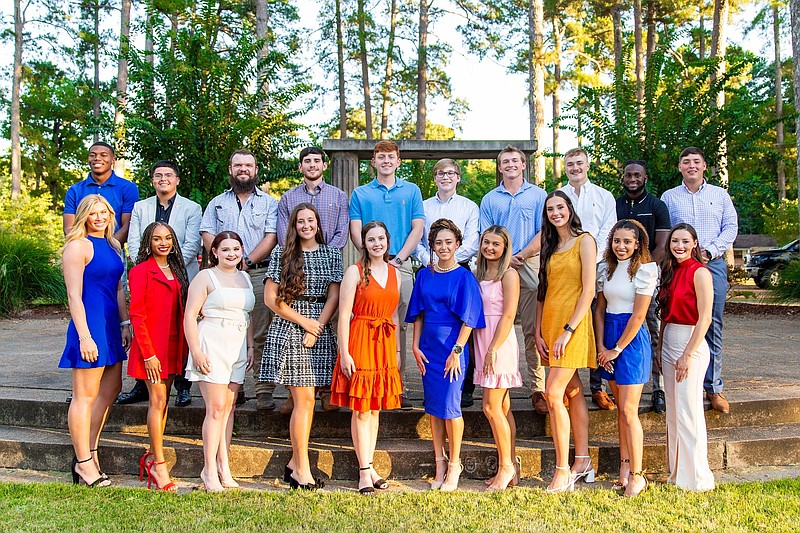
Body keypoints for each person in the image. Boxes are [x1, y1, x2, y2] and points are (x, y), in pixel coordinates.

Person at [261, 203, 342, 490]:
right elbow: (272, 299)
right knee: (305, 400)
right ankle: (302, 470)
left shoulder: (332, 254)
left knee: (308, 401)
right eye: (300, 221)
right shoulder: (282, 255)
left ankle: (295, 464)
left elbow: (334, 297)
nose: (306, 225)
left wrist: (317, 326)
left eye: (311, 220)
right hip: (290, 327)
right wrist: (305, 324)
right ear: (293, 226)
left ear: (318, 224)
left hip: (318, 329)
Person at [406, 219, 485, 492]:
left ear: (458, 244)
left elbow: (471, 319)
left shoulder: (464, 277)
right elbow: (417, 313)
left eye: (449, 242)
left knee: (451, 408)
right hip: (428, 350)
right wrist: (415, 346)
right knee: (434, 409)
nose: (443, 247)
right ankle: (439, 462)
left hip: (453, 348)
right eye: (438, 242)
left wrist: (457, 351)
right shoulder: (424, 275)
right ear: (432, 245)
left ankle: (454, 464)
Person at [59, 194, 131, 487]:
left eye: (104, 212)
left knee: (110, 390)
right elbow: (74, 296)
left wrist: (124, 323)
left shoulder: (113, 244)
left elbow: (117, 288)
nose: (99, 217)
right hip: (89, 327)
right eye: (93, 213)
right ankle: (83, 463)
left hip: (111, 325)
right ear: (84, 216)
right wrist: (85, 337)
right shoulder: (78, 246)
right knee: (84, 397)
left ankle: (90, 452)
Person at [661, 147, 738, 414]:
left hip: (711, 264)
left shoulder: (719, 195)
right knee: (673, 316)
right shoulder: (669, 197)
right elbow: (667, 232)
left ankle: (714, 387)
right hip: (678, 268)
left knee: (711, 321)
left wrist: (711, 250)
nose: (691, 166)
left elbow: (731, 226)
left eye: (696, 162)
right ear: (680, 167)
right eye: (686, 162)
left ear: (705, 166)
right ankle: (671, 378)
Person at [200, 149, 278, 411]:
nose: (243, 169)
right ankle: (235, 385)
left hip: (257, 273)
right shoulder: (216, 203)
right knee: (227, 328)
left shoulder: (269, 203)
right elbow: (207, 233)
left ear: (255, 170)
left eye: (248, 165)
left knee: (260, 331)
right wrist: (226, 260)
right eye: (238, 165)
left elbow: (271, 236)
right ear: (230, 170)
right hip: (222, 275)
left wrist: (247, 261)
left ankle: (263, 389)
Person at [121, 160, 202, 408]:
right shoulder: (140, 207)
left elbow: (190, 244)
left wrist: (170, 263)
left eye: (169, 175)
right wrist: (146, 266)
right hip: (147, 274)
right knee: (147, 322)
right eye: (158, 175)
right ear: (153, 180)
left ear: (177, 179)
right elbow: (134, 241)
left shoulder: (192, 207)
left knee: (180, 327)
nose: (163, 179)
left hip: (181, 274)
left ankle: (183, 386)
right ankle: (141, 384)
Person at [350, 140, 424, 409]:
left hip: (400, 265)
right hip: (369, 266)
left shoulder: (412, 191)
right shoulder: (361, 194)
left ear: (398, 161)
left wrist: (399, 258)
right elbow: (356, 230)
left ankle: (397, 386)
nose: (386, 161)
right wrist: (372, 258)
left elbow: (417, 228)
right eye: (380, 157)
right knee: (367, 321)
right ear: (373, 161)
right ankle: (370, 382)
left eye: (391, 157)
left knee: (399, 326)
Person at [330, 221, 403, 494]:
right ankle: (363, 473)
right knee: (361, 409)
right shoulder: (355, 272)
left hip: (383, 344)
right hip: (360, 338)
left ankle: (369, 465)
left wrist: (396, 351)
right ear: (364, 243)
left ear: (387, 240)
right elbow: (343, 315)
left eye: (381, 238)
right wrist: (345, 352)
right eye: (371, 239)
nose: (377, 244)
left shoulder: (396, 273)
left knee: (375, 409)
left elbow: (394, 315)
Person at [276, 146, 349, 414]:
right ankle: (295, 391)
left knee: (326, 328)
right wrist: (304, 252)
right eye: (307, 161)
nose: (312, 165)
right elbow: (284, 231)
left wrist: (322, 252)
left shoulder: (338, 196)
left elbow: (342, 229)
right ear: (300, 167)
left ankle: (326, 388)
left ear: (324, 165)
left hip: (328, 261)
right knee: (294, 327)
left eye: (316, 161)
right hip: (296, 262)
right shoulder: (288, 197)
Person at [534, 191, 597, 493]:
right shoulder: (550, 245)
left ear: (570, 209)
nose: (555, 213)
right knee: (572, 391)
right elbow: (543, 291)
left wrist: (568, 330)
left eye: (560, 207)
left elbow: (588, 290)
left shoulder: (585, 241)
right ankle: (582, 460)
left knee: (552, 393)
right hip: (549, 325)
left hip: (572, 326)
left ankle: (562, 471)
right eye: (550, 209)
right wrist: (537, 331)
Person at [184, 231, 255, 492]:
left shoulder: (245, 277)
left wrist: (249, 346)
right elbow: (190, 316)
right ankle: (209, 470)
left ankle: (224, 466)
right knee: (215, 409)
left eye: (236, 249)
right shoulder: (205, 277)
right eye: (225, 249)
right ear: (214, 251)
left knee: (229, 408)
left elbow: (246, 316)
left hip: (236, 348)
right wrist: (197, 351)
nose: (231, 254)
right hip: (212, 343)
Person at [479, 145, 548, 414]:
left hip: (529, 262)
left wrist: (520, 254)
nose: (510, 165)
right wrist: (502, 258)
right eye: (504, 161)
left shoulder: (538, 195)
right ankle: (491, 379)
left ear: (523, 166)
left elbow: (545, 231)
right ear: (499, 167)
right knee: (492, 322)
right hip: (496, 266)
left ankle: (537, 388)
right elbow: (486, 234)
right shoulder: (490, 199)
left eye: (514, 161)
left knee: (532, 328)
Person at [594, 220, 658, 497]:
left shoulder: (645, 270)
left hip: (629, 341)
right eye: (617, 241)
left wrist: (616, 350)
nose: (621, 247)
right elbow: (599, 309)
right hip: (607, 334)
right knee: (619, 409)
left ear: (637, 244)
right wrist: (600, 347)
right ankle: (623, 468)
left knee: (630, 410)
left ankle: (638, 474)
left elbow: (639, 316)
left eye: (627, 242)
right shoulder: (605, 268)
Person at [127, 222, 190, 492]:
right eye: (156, 239)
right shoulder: (140, 271)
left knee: (164, 403)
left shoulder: (177, 270)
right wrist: (148, 354)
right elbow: (137, 314)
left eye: (167, 238)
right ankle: (159, 465)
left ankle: (152, 456)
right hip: (152, 346)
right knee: (158, 399)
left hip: (174, 343)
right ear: (148, 243)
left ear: (173, 242)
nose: (163, 243)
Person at [414, 159, 480, 408]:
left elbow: (473, 242)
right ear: (435, 178)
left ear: (458, 177)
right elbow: (418, 241)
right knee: (430, 324)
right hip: (429, 270)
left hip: (459, 269)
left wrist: (450, 260)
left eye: (451, 173)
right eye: (440, 173)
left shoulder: (469, 207)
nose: (446, 177)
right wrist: (432, 261)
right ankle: (432, 381)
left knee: (464, 328)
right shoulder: (423, 207)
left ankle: (465, 387)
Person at [656, 223, 715, 491]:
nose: (679, 246)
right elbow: (665, 314)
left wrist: (687, 354)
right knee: (673, 412)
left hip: (691, 341)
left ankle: (697, 478)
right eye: (674, 241)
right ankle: (677, 472)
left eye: (684, 241)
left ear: (694, 243)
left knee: (689, 409)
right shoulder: (669, 271)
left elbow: (705, 318)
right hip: (669, 340)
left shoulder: (700, 273)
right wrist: (660, 349)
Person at [558, 147, 617, 411]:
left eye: (579, 163)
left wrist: (589, 260)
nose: (575, 168)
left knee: (596, 321)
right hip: (567, 270)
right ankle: (569, 383)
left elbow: (608, 230)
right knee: (568, 321)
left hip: (598, 266)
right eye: (570, 164)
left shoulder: (604, 196)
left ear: (588, 165)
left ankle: (598, 387)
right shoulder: (559, 196)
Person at [615, 161, 671, 414]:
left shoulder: (657, 205)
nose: (632, 179)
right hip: (617, 277)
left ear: (645, 177)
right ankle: (607, 387)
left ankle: (657, 388)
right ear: (623, 178)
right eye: (628, 175)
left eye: (637, 175)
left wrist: (641, 269)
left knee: (652, 331)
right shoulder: (615, 204)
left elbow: (662, 245)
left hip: (646, 276)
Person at [472, 225, 522, 492]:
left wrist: (492, 348)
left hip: (499, 341)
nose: (490, 248)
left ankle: (505, 468)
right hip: (482, 339)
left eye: (496, 244)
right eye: (486, 243)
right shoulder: (479, 273)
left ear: (505, 248)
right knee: (502, 409)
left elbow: (509, 315)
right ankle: (510, 465)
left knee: (490, 407)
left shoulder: (509, 274)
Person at [63, 142, 139, 244]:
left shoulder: (128, 188)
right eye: (92, 155)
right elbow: (69, 227)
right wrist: (84, 247)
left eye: (103, 155)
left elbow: (127, 226)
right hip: (81, 249)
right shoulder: (75, 190)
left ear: (113, 160)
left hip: (114, 248)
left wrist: (106, 248)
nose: (97, 158)